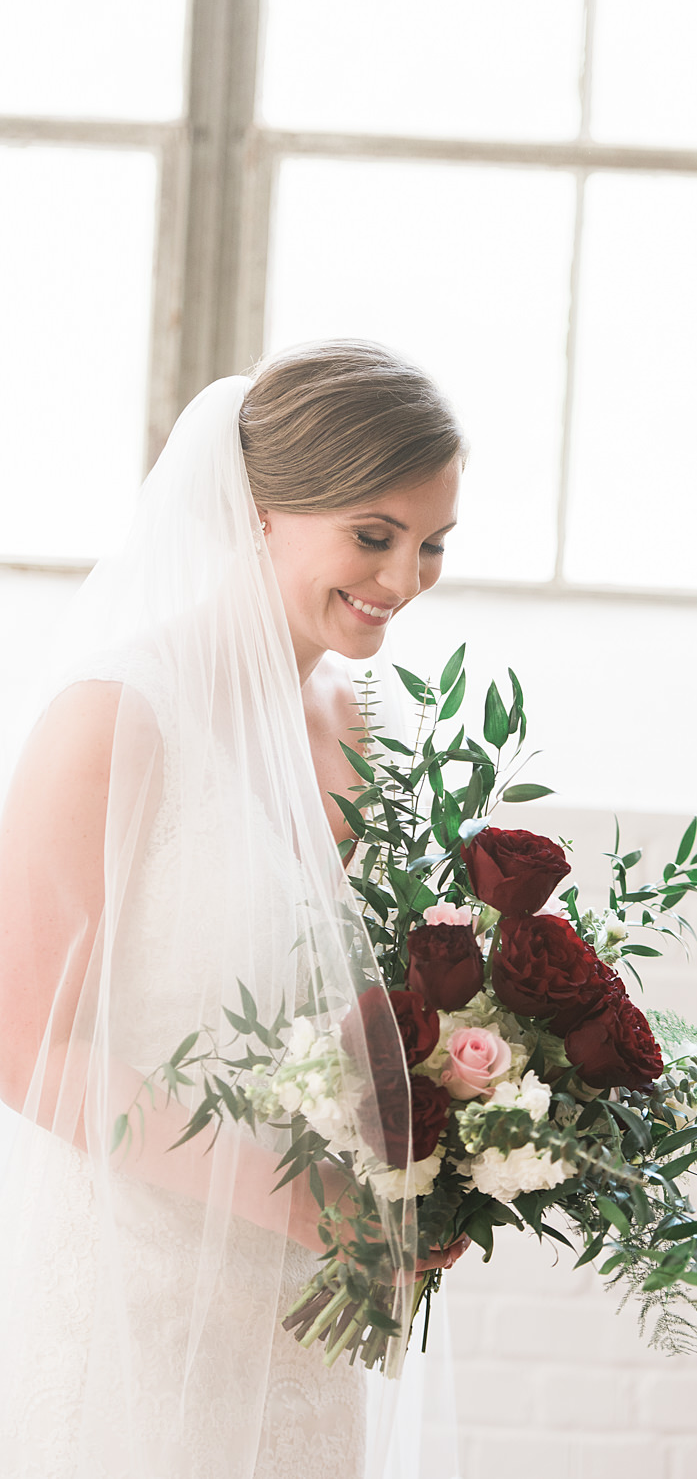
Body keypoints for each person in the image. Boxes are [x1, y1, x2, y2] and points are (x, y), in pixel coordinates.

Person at [0, 340, 471, 1478]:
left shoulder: (353, 723)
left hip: (305, 1317)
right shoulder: (118, 714)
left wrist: (463, 1137)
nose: (402, 580)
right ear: (259, 508)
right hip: (140, 1299)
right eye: (374, 535)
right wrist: (304, 1204)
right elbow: (27, 1045)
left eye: (432, 545)